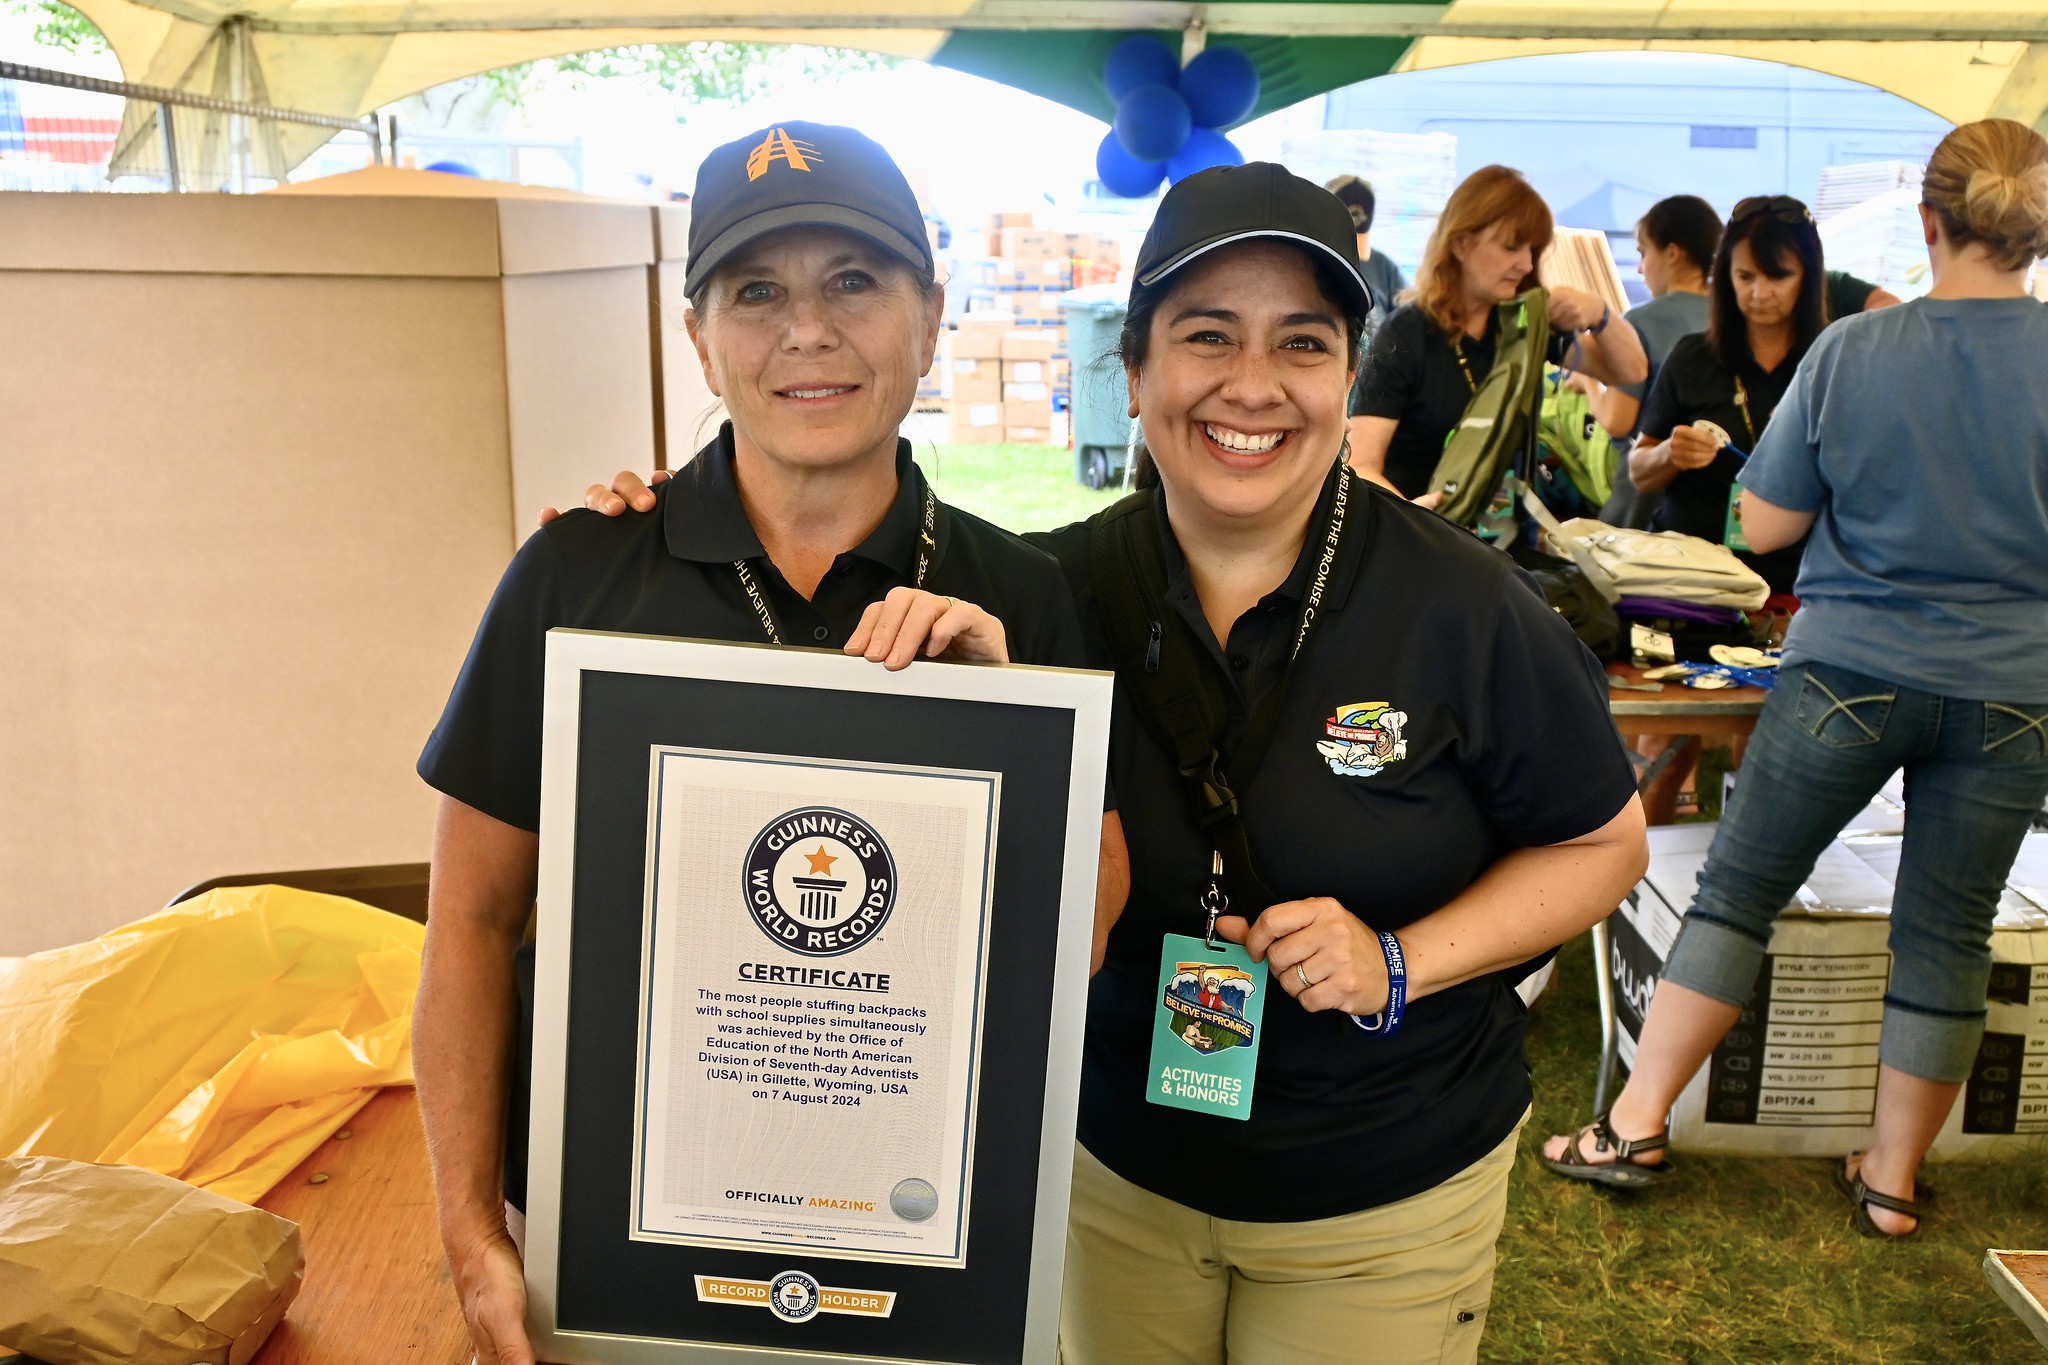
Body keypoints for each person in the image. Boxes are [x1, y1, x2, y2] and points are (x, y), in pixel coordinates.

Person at [582, 162, 1650, 1363]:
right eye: (1206, 335)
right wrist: (646, 536)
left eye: (1300, 343)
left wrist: (1398, 963)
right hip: (1112, 1174)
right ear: (1133, 371)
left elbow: (1601, 844)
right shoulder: (1040, 593)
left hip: (1377, 1186)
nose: (1252, 385)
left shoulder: (1462, 605)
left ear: (1345, 376)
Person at [413, 120, 1127, 1365]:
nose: (806, 330)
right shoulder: (577, 576)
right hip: (607, 1246)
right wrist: (471, 1230)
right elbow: (469, 920)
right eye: (755, 292)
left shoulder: (1016, 597)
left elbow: (1086, 934)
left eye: (852, 280)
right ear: (698, 336)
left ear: (930, 316)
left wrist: (1005, 732)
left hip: (904, 1244)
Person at [1542, 118, 2048, 1241]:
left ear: (1929, 222)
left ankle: (1632, 1127)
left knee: (1739, 892)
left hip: (1849, 667)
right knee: (1947, 931)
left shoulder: (1855, 350)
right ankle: (1891, 1181)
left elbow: (1764, 523)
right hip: (2014, 689)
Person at [1349, 165, 1648, 502]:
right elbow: (1362, 465)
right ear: (1461, 244)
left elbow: (1631, 371)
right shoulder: (1406, 334)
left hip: (1505, 526)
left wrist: (1603, 316)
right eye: (1511, 247)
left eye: (1532, 250)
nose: (1526, 265)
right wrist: (1420, 521)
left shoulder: (1525, 323)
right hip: (1420, 522)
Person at [1625, 194, 1826, 595]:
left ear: (1808, 277)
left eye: (1778, 276)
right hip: (1690, 580)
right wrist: (1670, 454)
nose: (1760, 293)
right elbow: (1639, 471)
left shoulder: (1831, 362)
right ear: (1725, 275)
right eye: (1745, 277)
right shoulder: (1692, 356)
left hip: (1799, 582)